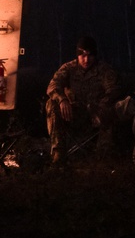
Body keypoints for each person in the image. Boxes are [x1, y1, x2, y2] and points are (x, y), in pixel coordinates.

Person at [45, 35, 121, 164]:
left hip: (97, 115)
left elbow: (114, 90)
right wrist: (62, 99)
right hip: (73, 114)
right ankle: (58, 153)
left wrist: (100, 107)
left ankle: (103, 157)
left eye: (90, 55)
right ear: (77, 55)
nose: (86, 60)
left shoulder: (104, 70)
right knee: (51, 103)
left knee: (111, 110)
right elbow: (53, 86)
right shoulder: (69, 68)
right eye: (82, 55)